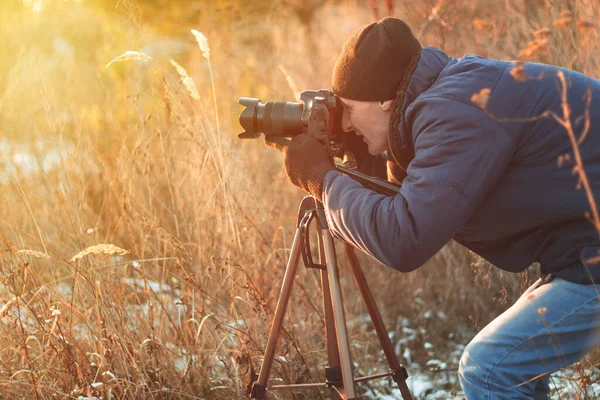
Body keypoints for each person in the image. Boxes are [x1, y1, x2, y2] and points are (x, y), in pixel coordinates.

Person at [265, 17, 600, 399]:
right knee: (511, 368)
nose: (345, 122)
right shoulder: (451, 92)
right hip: (583, 251)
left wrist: (321, 179)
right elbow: (420, 196)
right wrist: (366, 164)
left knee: (490, 369)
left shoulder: (454, 115)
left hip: (590, 256)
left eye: (349, 110)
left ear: (384, 101)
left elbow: (404, 239)